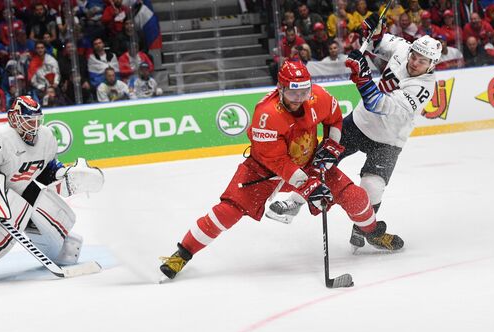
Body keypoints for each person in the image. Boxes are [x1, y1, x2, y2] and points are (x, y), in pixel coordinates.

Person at [159, 60, 393, 279]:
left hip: (307, 162)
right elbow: (278, 162)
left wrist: (331, 144)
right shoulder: (267, 115)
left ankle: (372, 232)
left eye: (304, 91)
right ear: (280, 89)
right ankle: (182, 254)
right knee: (227, 212)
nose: (300, 98)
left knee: (355, 196)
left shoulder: (317, 97)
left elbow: (334, 118)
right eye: (293, 92)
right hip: (263, 171)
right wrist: (309, 185)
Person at [267, 14, 441, 253]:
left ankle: (365, 230)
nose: (414, 62)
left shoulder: (423, 88)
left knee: (372, 186)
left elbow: (378, 104)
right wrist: (371, 30)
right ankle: (294, 203)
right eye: (414, 56)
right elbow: (374, 43)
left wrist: (362, 76)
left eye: (422, 61)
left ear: (432, 65)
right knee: (322, 160)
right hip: (359, 123)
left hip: (388, 140)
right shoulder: (403, 48)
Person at [0, 96, 104, 265]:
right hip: (2, 199)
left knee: (60, 221)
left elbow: (46, 170)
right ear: (14, 118)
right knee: (14, 209)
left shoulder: (45, 136)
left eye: (37, 121)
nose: (35, 126)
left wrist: (63, 174)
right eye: (29, 121)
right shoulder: (0, 138)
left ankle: (60, 251)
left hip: (21, 192)